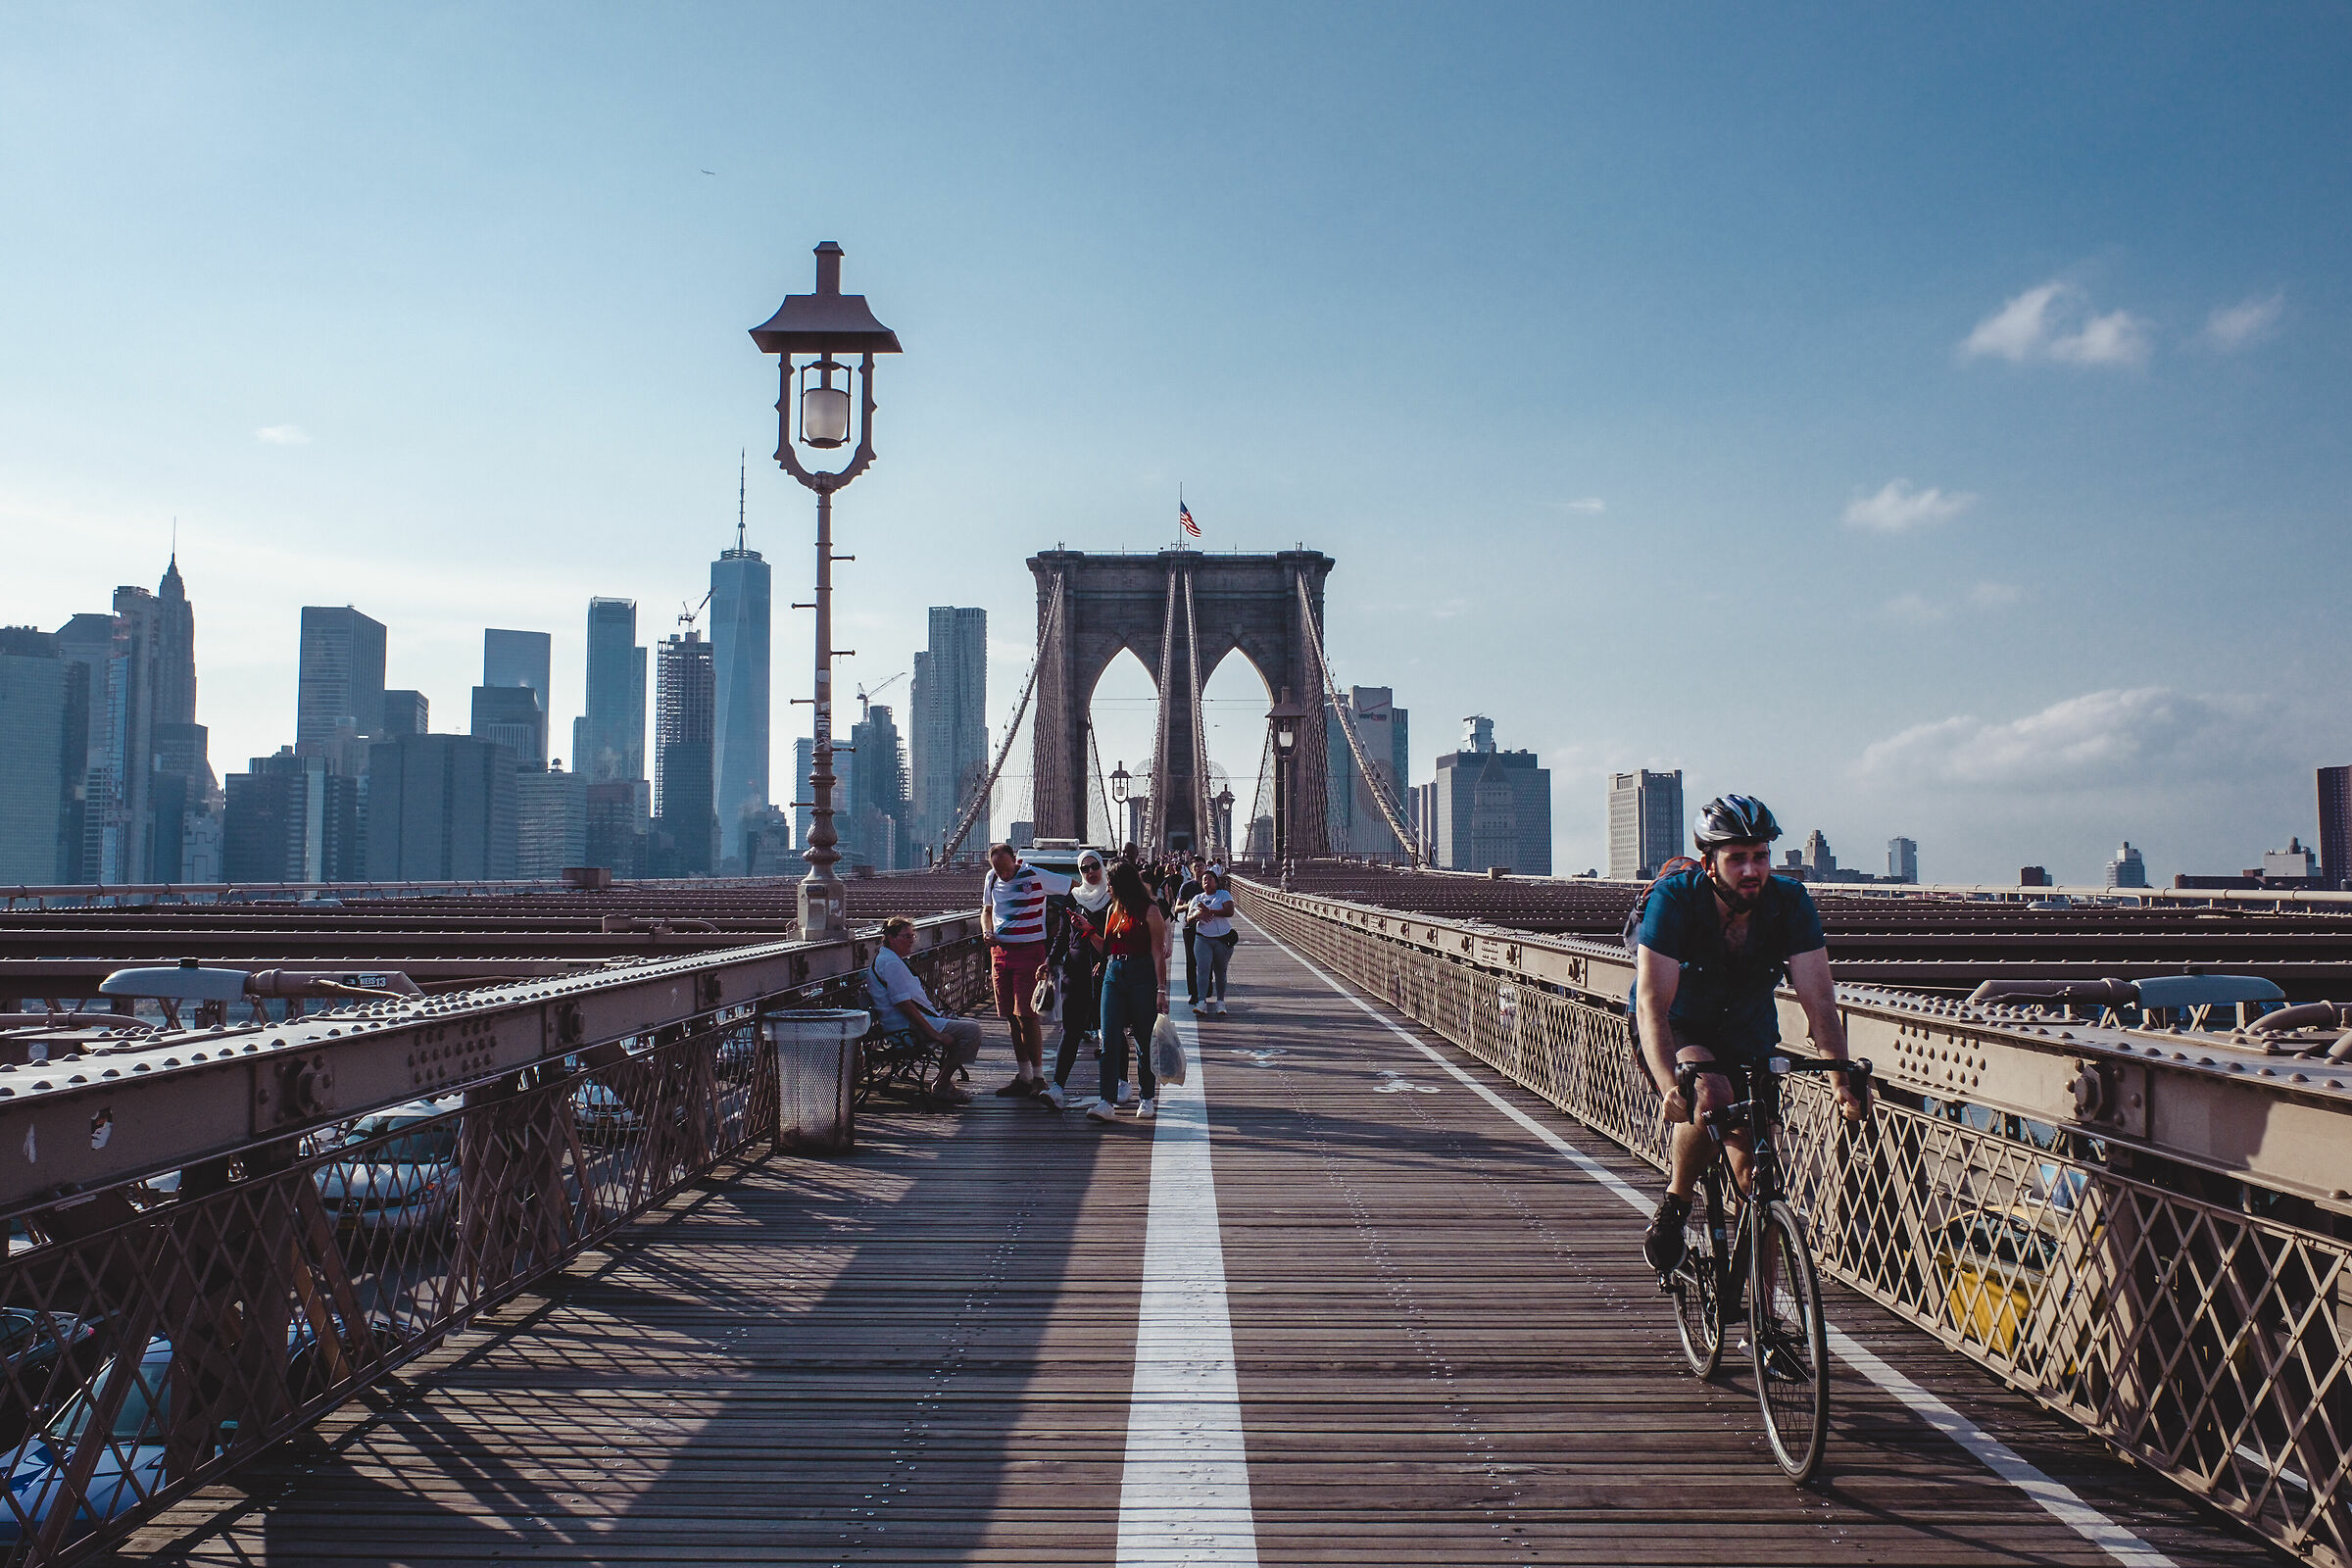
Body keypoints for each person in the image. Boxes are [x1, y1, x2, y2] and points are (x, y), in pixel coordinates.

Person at [1637, 795, 1864, 1276]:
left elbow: (1820, 1002)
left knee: (1759, 1176)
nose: (1751, 870)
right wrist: (1666, 1085)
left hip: (1748, 1031)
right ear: (1709, 864)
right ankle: (1677, 1200)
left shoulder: (1789, 903)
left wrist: (1841, 1079)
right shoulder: (1674, 900)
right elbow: (1652, 1005)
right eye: (1736, 858)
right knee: (1711, 1093)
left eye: (1760, 856)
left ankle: (1766, 1330)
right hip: (1681, 1024)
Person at [982, 841, 1070, 1098]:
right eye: (999, 871)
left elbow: (1074, 887)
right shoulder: (990, 878)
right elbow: (987, 911)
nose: (1003, 875)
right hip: (1000, 954)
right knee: (1010, 1015)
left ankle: (1039, 1078)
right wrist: (986, 931)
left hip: (1030, 952)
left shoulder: (1035, 874)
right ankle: (1023, 1076)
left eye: (1006, 869)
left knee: (1028, 1015)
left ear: (1016, 860)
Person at [870, 917, 985, 1105]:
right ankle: (942, 1084)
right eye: (906, 936)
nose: (911, 940)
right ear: (890, 938)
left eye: (912, 935)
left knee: (970, 1026)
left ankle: (943, 1082)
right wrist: (936, 1035)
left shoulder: (890, 960)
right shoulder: (890, 963)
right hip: (906, 1029)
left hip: (909, 1024)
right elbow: (904, 1005)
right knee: (972, 1031)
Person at [1088, 860, 1168, 1124]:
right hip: (1114, 974)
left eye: (1109, 882)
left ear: (1120, 883)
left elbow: (1158, 953)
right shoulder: (1113, 908)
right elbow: (1108, 947)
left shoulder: (1151, 910)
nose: (1107, 887)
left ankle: (1146, 1097)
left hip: (1142, 974)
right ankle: (1106, 1101)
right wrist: (1087, 931)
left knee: (1144, 1040)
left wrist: (1161, 990)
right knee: (1108, 1038)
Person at [1043, 849, 1113, 1108]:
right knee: (1071, 1029)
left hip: (1105, 969)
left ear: (1102, 867)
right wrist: (1049, 962)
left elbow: (1118, 940)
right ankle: (1057, 1088)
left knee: (1110, 1029)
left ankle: (1120, 1084)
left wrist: (1105, 962)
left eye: (1095, 866)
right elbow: (1062, 936)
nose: (1091, 872)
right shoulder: (1072, 899)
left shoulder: (1113, 899)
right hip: (1075, 969)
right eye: (1085, 868)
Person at [1187, 867, 1238, 1014]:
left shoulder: (1223, 894)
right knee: (1202, 970)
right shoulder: (1197, 899)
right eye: (1204, 880)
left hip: (1222, 939)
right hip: (1202, 938)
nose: (1206, 882)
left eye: (1209, 879)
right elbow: (1188, 919)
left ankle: (1220, 1002)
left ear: (1216, 882)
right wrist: (1197, 914)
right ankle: (1201, 1002)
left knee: (1220, 971)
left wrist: (1209, 912)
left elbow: (1229, 911)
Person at [1173, 859, 1203, 1005]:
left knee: (1207, 960)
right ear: (1191, 869)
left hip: (1208, 927)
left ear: (1205, 867)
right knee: (1191, 961)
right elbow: (1176, 909)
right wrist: (1189, 905)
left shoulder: (1211, 885)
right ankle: (1193, 993)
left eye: (1201, 866)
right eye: (1195, 866)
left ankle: (1205, 989)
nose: (1198, 869)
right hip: (1190, 927)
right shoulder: (1186, 886)